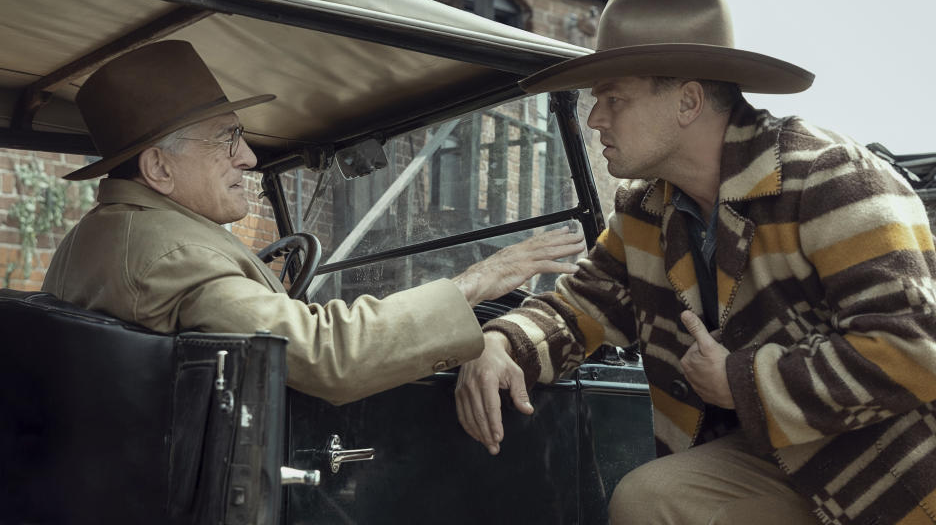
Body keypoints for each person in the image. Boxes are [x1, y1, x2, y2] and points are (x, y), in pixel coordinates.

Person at [454, 0, 936, 525]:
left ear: (688, 102)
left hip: (905, 467)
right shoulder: (647, 211)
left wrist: (742, 380)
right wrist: (500, 341)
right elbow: (580, 309)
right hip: (781, 456)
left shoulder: (830, 177)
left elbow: (913, 354)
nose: (595, 117)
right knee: (651, 499)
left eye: (614, 99)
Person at [42, 40, 585, 405]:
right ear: (159, 167)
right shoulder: (175, 255)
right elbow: (327, 357)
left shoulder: (99, 237)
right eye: (228, 138)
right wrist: (477, 282)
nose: (250, 159)